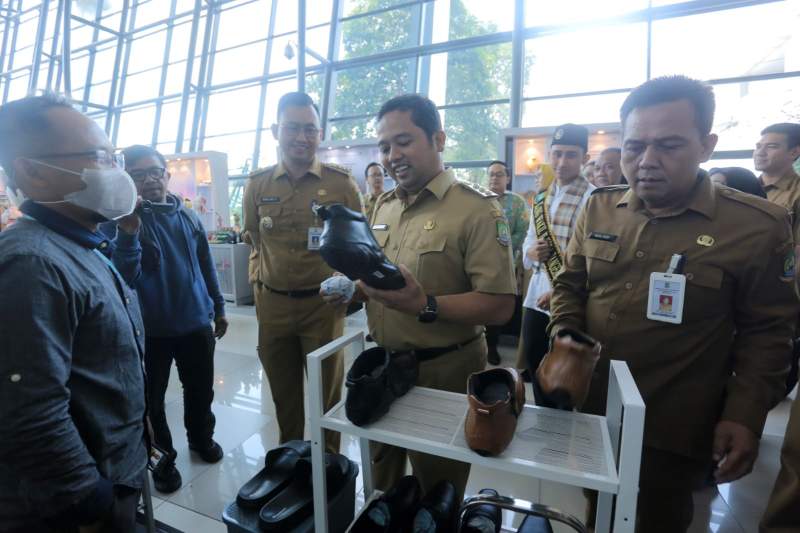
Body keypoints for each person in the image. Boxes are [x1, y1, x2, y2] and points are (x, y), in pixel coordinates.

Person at [545, 75, 798, 533]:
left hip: (676, 424)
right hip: (593, 408)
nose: (646, 162)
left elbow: (770, 332)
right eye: (634, 146)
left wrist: (745, 414)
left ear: (706, 144)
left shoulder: (756, 226)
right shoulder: (599, 207)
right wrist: (564, 335)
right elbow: (571, 284)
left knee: (660, 520)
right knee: (597, 510)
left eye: (669, 146)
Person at [324, 94, 516, 501]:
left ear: (438, 139)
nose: (393, 155)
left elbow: (500, 305)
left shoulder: (478, 209)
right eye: (385, 146)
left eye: (404, 141)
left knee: (436, 491)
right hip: (382, 369)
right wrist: (354, 290)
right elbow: (383, 276)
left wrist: (426, 305)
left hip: (443, 372)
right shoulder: (383, 206)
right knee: (382, 487)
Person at [0, 95, 147, 532]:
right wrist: (91, 500)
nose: (116, 171)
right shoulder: (31, 263)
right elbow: (28, 409)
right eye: (99, 157)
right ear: (34, 170)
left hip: (114, 469)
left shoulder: (81, 243)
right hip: (77, 502)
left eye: (113, 156)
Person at [102, 145, 228, 493]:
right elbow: (121, 276)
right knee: (152, 403)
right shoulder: (115, 223)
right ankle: (164, 459)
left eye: (155, 172)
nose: (150, 180)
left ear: (167, 175)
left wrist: (217, 306)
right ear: (126, 181)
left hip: (195, 326)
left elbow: (206, 266)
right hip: (148, 333)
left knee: (200, 392)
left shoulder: (187, 216)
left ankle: (201, 440)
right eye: (138, 175)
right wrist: (128, 231)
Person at [243, 92, 362, 453]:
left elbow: (359, 242)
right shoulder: (258, 184)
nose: (301, 137)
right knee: (284, 395)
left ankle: (329, 467)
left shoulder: (340, 184)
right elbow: (252, 237)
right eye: (292, 128)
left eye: (310, 129)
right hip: (273, 306)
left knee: (327, 397)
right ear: (275, 130)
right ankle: (289, 463)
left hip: (322, 307)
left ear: (320, 133)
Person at [520, 124, 594, 405]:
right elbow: (528, 241)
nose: (562, 162)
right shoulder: (541, 197)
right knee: (534, 361)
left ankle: (557, 437)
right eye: (557, 154)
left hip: (568, 299)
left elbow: (591, 257)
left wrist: (559, 292)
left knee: (562, 374)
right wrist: (531, 251)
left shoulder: (592, 198)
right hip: (534, 295)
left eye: (571, 155)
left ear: (585, 158)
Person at [760, 123, 800, 532]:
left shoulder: (797, 194)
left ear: (794, 152)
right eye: (759, 145)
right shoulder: (749, 189)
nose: (761, 152)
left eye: (772, 147)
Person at [485, 159, 529, 365]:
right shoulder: (479, 199)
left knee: (496, 306)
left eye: (499, 174)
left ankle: (492, 346)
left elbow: (524, 230)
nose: (495, 178)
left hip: (506, 264)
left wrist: (505, 246)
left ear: (508, 178)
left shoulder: (517, 202)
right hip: (478, 263)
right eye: (491, 174)